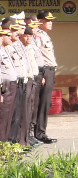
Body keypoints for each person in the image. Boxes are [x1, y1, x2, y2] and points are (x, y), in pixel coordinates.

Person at [30, 12, 58, 144]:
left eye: (51, 20)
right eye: (47, 20)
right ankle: (38, 133)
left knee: (45, 103)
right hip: (44, 71)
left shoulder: (44, 35)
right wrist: (40, 74)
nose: (50, 23)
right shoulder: (37, 36)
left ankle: (41, 131)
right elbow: (35, 56)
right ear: (40, 21)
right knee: (40, 103)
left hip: (49, 70)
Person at [19, 27, 42, 145]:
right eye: (26, 35)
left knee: (30, 109)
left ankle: (27, 136)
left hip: (31, 79)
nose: (28, 38)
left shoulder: (29, 48)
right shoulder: (18, 48)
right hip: (21, 81)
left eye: (30, 36)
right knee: (23, 111)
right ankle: (20, 140)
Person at [0, 22, 18, 144]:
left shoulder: (4, 50)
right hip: (4, 88)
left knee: (7, 118)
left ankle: (4, 146)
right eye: (7, 35)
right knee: (2, 119)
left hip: (10, 86)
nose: (10, 37)